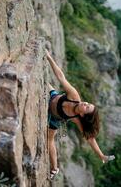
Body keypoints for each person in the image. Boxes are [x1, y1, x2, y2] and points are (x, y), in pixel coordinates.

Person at [46, 49, 115, 180]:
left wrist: (101, 155)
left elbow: (90, 138)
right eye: (88, 103)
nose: (85, 103)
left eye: (87, 106)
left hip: (54, 118)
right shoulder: (74, 96)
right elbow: (61, 77)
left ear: (83, 115)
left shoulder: (77, 119)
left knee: (49, 140)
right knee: (45, 83)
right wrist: (49, 57)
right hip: (52, 97)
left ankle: (54, 168)